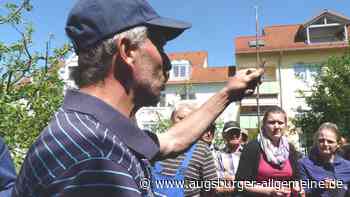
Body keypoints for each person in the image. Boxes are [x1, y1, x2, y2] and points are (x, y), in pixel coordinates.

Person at [12, 0, 264, 196]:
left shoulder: (94, 131)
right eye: (161, 46)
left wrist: (227, 93)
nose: (168, 61)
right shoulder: (97, 163)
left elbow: (171, 140)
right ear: (128, 51)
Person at [235, 106, 303, 197]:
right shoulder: (253, 147)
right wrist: (268, 191)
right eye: (271, 122)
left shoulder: (290, 149)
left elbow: (296, 179)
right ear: (264, 125)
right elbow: (240, 184)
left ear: (285, 125)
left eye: (280, 123)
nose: (276, 126)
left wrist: (298, 188)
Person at [154, 103, 218, 196]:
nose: (184, 123)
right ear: (171, 119)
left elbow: (211, 188)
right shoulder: (157, 143)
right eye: (180, 118)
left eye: (188, 120)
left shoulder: (202, 149)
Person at [298, 122, 350, 197]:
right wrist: (320, 186)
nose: (325, 144)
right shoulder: (304, 164)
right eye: (321, 140)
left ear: (338, 144)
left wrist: (341, 188)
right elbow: (303, 190)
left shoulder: (347, 166)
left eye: (330, 141)